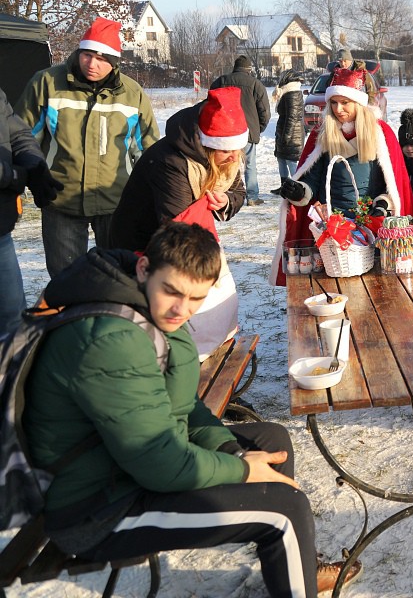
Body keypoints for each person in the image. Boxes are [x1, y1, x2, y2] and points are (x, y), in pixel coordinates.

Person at [23, 222, 361, 597]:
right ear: (143, 268)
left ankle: (292, 567)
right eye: (172, 292)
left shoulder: (145, 306)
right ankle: (299, 581)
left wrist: (233, 452)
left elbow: (185, 408)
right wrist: (241, 469)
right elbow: (159, 463)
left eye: (196, 299)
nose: (181, 309)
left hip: (121, 468)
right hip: (96, 509)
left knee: (270, 438)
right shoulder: (109, 339)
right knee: (284, 508)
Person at [110, 87, 248, 357]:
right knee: (161, 321)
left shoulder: (228, 154)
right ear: (207, 144)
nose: (234, 157)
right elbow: (182, 229)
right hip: (142, 243)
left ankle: (196, 356)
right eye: (226, 151)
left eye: (237, 149)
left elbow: (238, 192)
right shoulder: (170, 161)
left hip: (177, 237)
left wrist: (227, 201)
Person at [15, 17, 159, 277]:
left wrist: (152, 195)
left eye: (102, 59)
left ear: (115, 62)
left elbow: (148, 151)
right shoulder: (46, 83)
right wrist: (32, 174)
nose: (92, 64)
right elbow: (21, 136)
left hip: (117, 202)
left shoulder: (132, 93)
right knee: (67, 279)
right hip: (60, 199)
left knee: (120, 277)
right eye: (87, 54)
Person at [274, 66, 413, 285]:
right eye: (334, 102)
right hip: (329, 229)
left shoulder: (380, 134)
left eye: (345, 102)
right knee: (332, 284)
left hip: (369, 228)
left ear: (358, 102)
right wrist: (300, 191)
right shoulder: (323, 133)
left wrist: (383, 205)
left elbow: (391, 185)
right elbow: (312, 180)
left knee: (373, 287)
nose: (339, 109)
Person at [0, 87, 61, 336]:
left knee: (13, 321)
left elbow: (19, 134)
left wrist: (34, 165)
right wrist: (13, 176)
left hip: (1, 231)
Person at [210, 55, 271, 205]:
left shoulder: (221, 81)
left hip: (225, 131)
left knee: (226, 163)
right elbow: (265, 111)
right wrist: (258, 128)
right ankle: (252, 197)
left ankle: (223, 195)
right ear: (249, 69)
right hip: (248, 131)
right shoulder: (255, 84)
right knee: (250, 164)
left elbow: (209, 104)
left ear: (235, 67)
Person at [272, 68, 305, 183]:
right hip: (284, 132)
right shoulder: (286, 93)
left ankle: (297, 186)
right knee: (281, 159)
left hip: (292, 134)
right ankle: (284, 185)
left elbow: (292, 117)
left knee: (291, 161)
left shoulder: (293, 94)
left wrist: (286, 136)